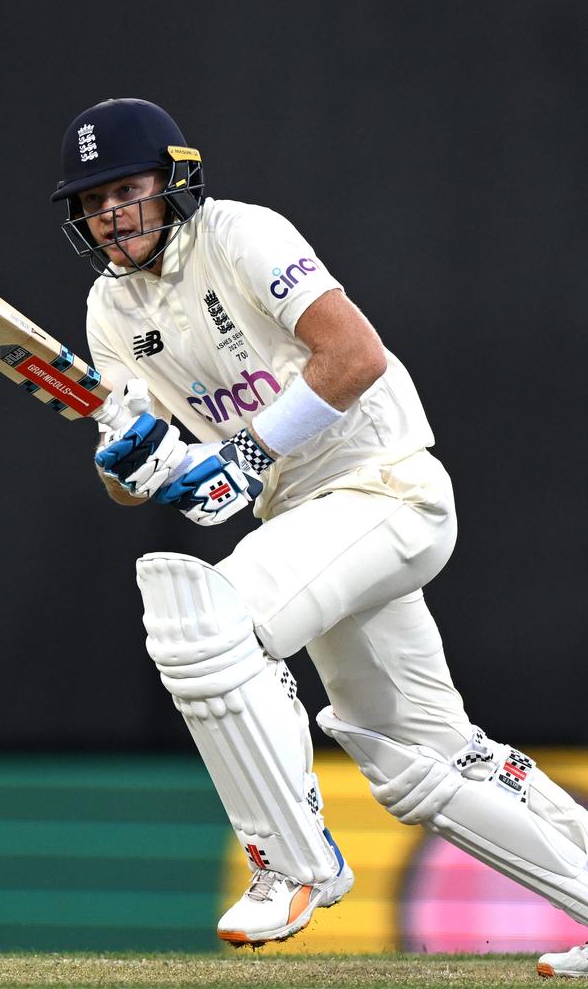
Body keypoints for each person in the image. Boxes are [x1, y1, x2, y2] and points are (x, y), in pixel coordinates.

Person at [51, 97, 588, 971]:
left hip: (386, 489)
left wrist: (243, 456)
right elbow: (130, 465)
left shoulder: (240, 234)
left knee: (206, 617)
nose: (111, 215)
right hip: (310, 526)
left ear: (174, 182)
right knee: (421, 763)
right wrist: (134, 467)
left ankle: (293, 865)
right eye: (92, 201)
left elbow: (356, 355)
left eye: (127, 190)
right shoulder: (108, 310)